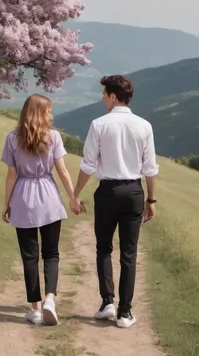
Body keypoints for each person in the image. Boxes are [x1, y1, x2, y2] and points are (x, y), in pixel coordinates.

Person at [70, 75, 159, 329]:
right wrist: (151, 200)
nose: (102, 98)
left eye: (104, 94)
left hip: (107, 192)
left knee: (103, 248)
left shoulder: (99, 124)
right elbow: (150, 169)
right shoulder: (144, 126)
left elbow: (88, 165)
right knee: (129, 254)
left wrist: (76, 193)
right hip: (133, 191)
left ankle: (107, 302)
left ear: (112, 96)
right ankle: (125, 312)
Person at [0, 94, 76, 326]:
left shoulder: (12, 139)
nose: (52, 115)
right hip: (49, 197)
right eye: (49, 111)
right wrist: (73, 196)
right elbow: (62, 171)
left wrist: (6, 203)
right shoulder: (53, 137)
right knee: (51, 253)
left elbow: (11, 173)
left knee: (29, 256)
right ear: (41, 113)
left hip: (23, 197)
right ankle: (50, 299)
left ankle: (34, 309)